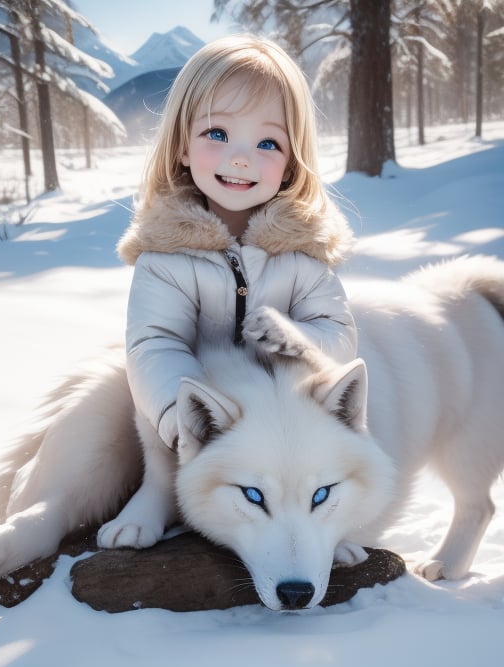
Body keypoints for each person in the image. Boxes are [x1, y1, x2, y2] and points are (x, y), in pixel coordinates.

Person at [97, 34, 357, 549]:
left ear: (292, 161)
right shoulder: (166, 256)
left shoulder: (302, 254)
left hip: (281, 431)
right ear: (181, 144)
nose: (241, 159)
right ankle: (158, 489)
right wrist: (186, 423)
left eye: (267, 144)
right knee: (146, 391)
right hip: (193, 420)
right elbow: (155, 344)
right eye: (218, 133)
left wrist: (300, 341)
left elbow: (340, 336)